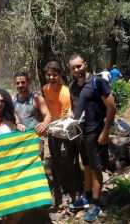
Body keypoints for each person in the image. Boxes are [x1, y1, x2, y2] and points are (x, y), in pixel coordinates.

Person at [68, 53, 116, 222]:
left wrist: (106, 131)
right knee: (86, 166)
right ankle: (86, 197)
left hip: (96, 133)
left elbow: (112, 107)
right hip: (81, 134)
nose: (76, 69)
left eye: (79, 66)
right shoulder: (72, 85)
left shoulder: (98, 82)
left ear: (85, 64)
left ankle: (96, 204)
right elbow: (76, 107)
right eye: (73, 67)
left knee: (96, 169)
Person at [43, 61, 82, 209]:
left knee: (73, 162)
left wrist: (51, 125)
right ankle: (57, 195)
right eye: (49, 74)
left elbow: (65, 117)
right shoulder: (45, 88)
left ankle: (76, 193)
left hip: (67, 130)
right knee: (55, 162)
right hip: (54, 130)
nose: (51, 77)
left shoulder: (65, 91)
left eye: (55, 74)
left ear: (59, 75)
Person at [12, 71, 51, 158]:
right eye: (17, 83)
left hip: (36, 138)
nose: (20, 85)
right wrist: (18, 123)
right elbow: (13, 114)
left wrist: (44, 124)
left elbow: (48, 115)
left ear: (28, 82)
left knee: (36, 162)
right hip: (21, 137)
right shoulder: (13, 100)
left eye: (23, 82)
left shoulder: (37, 99)